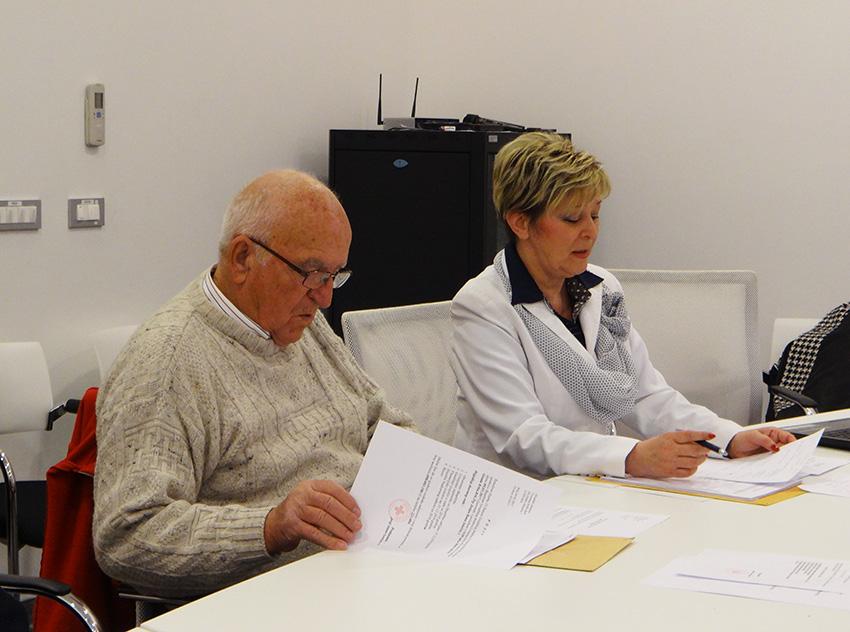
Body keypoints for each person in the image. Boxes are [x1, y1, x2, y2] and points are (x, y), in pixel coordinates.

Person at [93, 170, 415, 598]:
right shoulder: (167, 362)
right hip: (271, 598)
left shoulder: (298, 320)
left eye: (334, 275)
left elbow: (376, 419)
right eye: (312, 273)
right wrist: (271, 526)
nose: (325, 298)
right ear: (243, 258)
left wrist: (428, 470)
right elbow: (127, 536)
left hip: (362, 566)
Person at [450, 132, 794, 479]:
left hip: (591, 487)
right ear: (520, 222)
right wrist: (630, 457)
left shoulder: (601, 287)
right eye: (572, 219)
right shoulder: (483, 306)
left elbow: (643, 394)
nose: (590, 232)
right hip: (517, 494)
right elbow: (524, 435)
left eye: (595, 215)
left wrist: (729, 438)